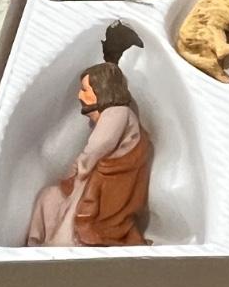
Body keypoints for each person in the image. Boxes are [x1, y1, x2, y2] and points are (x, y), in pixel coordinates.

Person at [26, 23, 150, 247]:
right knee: (49, 197)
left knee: (72, 218)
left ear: (101, 89)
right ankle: (37, 245)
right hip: (92, 185)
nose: (80, 95)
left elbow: (98, 147)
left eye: (85, 90)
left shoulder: (117, 112)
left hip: (104, 194)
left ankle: (58, 246)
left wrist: (80, 168)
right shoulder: (111, 114)